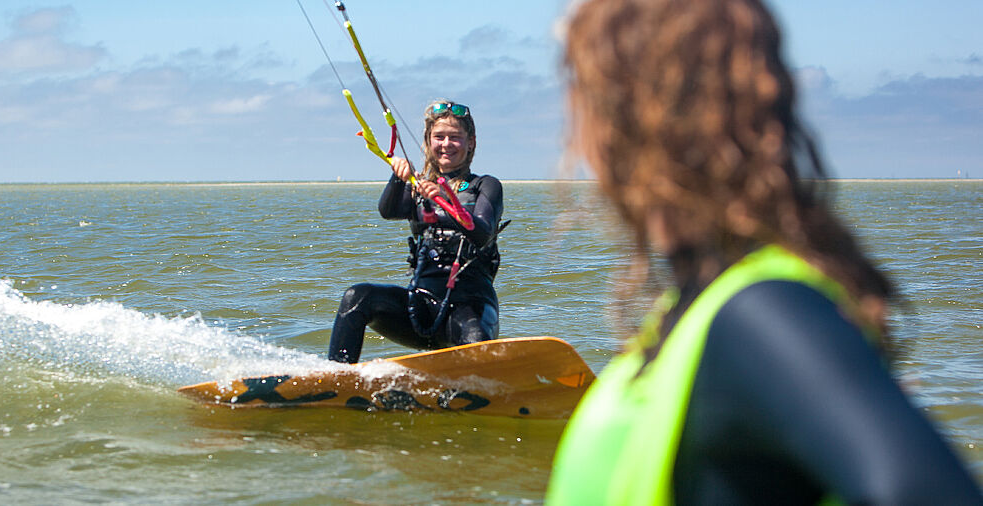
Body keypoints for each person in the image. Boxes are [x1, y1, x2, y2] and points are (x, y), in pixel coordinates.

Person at [547, 0, 983, 504]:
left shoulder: (758, 313)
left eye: (581, 93)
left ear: (628, 113)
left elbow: (922, 491)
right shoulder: (684, 317)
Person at [327, 100, 505, 364]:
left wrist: (444, 207)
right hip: (420, 307)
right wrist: (399, 177)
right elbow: (388, 211)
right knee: (357, 297)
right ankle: (337, 377)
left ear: (471, 142)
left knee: (475, 338)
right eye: (439, 137)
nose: (446, 144)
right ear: (428, 140)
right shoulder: (418, 186)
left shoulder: (486, 186)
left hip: (471, 308)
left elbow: (482, 230)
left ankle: (476, 386)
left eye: (455, 137)